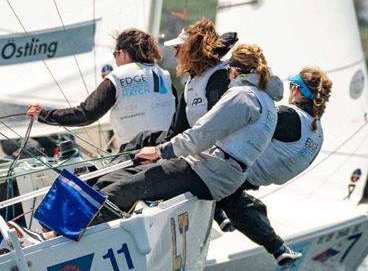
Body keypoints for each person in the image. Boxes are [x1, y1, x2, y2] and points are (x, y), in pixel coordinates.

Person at [95, 44, 279, 210]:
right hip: (217, 173)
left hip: (207, 172)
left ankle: (82, 233)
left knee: (119, 190)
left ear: (234, 71)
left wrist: (160, 151)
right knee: (120, 179)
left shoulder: (243, 96)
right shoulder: (267, 102)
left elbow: (203, 133)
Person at [216, 67, 333, 266]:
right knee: (236, 200)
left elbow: (247, 116)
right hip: (255, 180)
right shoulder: (318, 131)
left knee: (220, 184)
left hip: (239, 174)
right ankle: (223, 213)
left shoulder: (289, 116)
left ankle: (220, 210)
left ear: (296, 89)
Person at [26, 28, 176, 151]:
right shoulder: (164, 75)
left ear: (122, 53)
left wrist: (44, 114)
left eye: (115, 54)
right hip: (167, 150)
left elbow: (86, 114)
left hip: (137, 153)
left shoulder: (118, 76)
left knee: (98, 186)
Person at [163, 19, 238, 137]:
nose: (175, 54)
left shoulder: (220, 77)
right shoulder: (192, 81)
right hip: (199, 149)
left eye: (178, 48)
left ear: (191, 50)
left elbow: (217, 126)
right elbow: (177, 131)